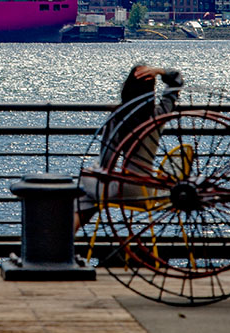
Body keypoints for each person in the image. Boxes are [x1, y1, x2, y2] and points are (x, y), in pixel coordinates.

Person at [75, 65, 184, 231]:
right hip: (147, 190)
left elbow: (107, 163)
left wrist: (96, 170)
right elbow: (176, 81)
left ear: (127, 88)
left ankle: (62, 243)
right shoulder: (158, 115)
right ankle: (64, 242)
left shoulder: (118, 118)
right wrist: (160, 72)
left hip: (124, 189)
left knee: (83, 185)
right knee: (89, 195)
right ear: (151, 91)